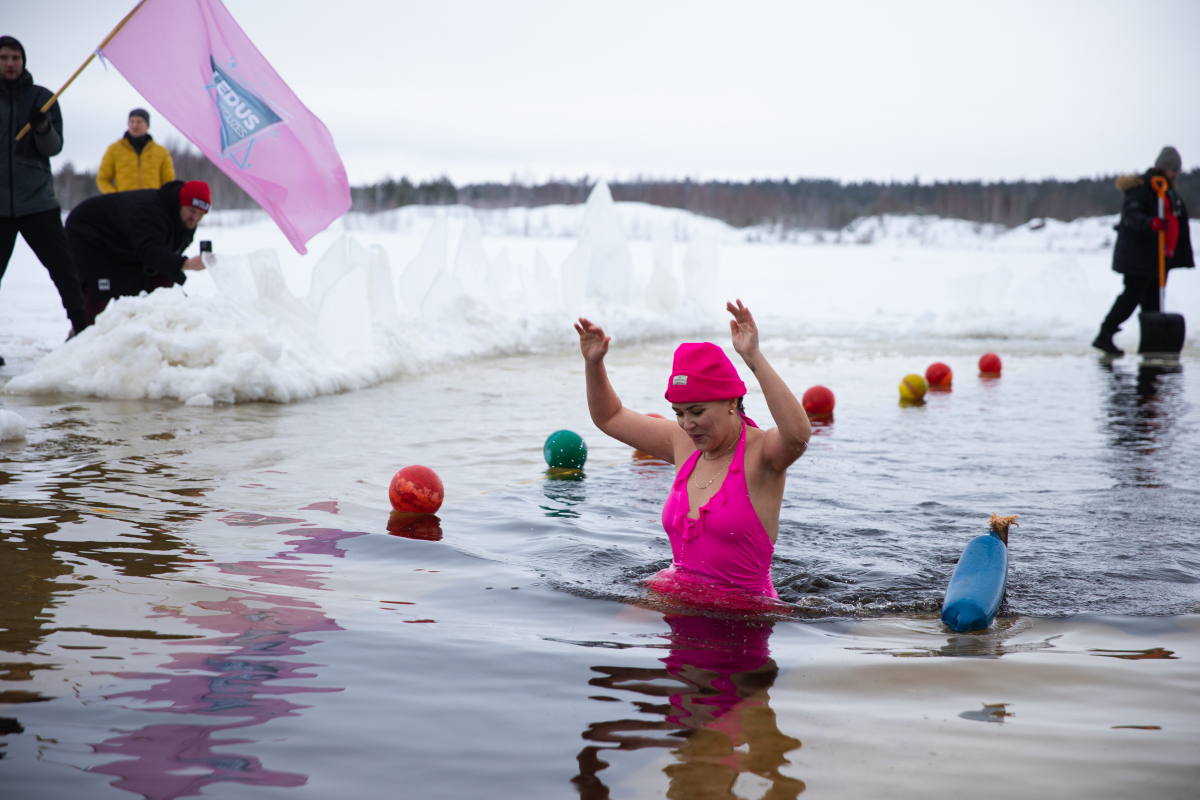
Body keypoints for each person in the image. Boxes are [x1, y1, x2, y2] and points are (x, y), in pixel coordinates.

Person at [575, 300, 811, 607]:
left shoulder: (762, 454)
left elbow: (797, 435)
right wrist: (594, 364)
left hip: (744, 612)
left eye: (697, 411)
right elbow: (610, 417)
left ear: (730, 402)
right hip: (675, 592)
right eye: (679, 413)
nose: (687, 425)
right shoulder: (683, 443)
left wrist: (753, 356)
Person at [0, 35, 89, 362]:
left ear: (24, 62)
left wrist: (41, 128)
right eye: (4, 58)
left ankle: (83, 331)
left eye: (16, 58)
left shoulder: (44, 98)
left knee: (65, 269)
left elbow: (54, 148)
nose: (10, 64)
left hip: (37, 202)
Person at [65, 180, 210, 326]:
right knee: (103, 286)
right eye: (192, 211)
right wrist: (187, 264)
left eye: (201, 214)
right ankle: (80, 335)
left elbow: (163, 255)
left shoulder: (185, 220)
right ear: (180, 203)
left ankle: (146, 330)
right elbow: (150, 251)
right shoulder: (152, 210)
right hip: (90, 233)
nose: (195, 218)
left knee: (159, 278)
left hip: (126, 243)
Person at [1093, 146, 1194, 355]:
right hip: (1138, 257)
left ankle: (1153, 343)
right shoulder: (1141, 189)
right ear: (1162, 168)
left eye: (1177, 170)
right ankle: (1105, 334)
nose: (1176, 174)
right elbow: (1131, 216)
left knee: (1153, 302)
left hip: (1159, 258)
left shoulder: (1169, 191)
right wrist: (1151, 223)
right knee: (1131, 296)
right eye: (1172, 169)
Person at [96, 108, 176, 194]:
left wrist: (160, 200)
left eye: (139, 121)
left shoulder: (161, 151)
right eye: (132, 121)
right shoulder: (114, 149)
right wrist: (116, 197)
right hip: (124, 205)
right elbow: (102, 179)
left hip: (151, 204)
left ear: (147, 125)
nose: (135, 125)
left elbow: (169, 182)